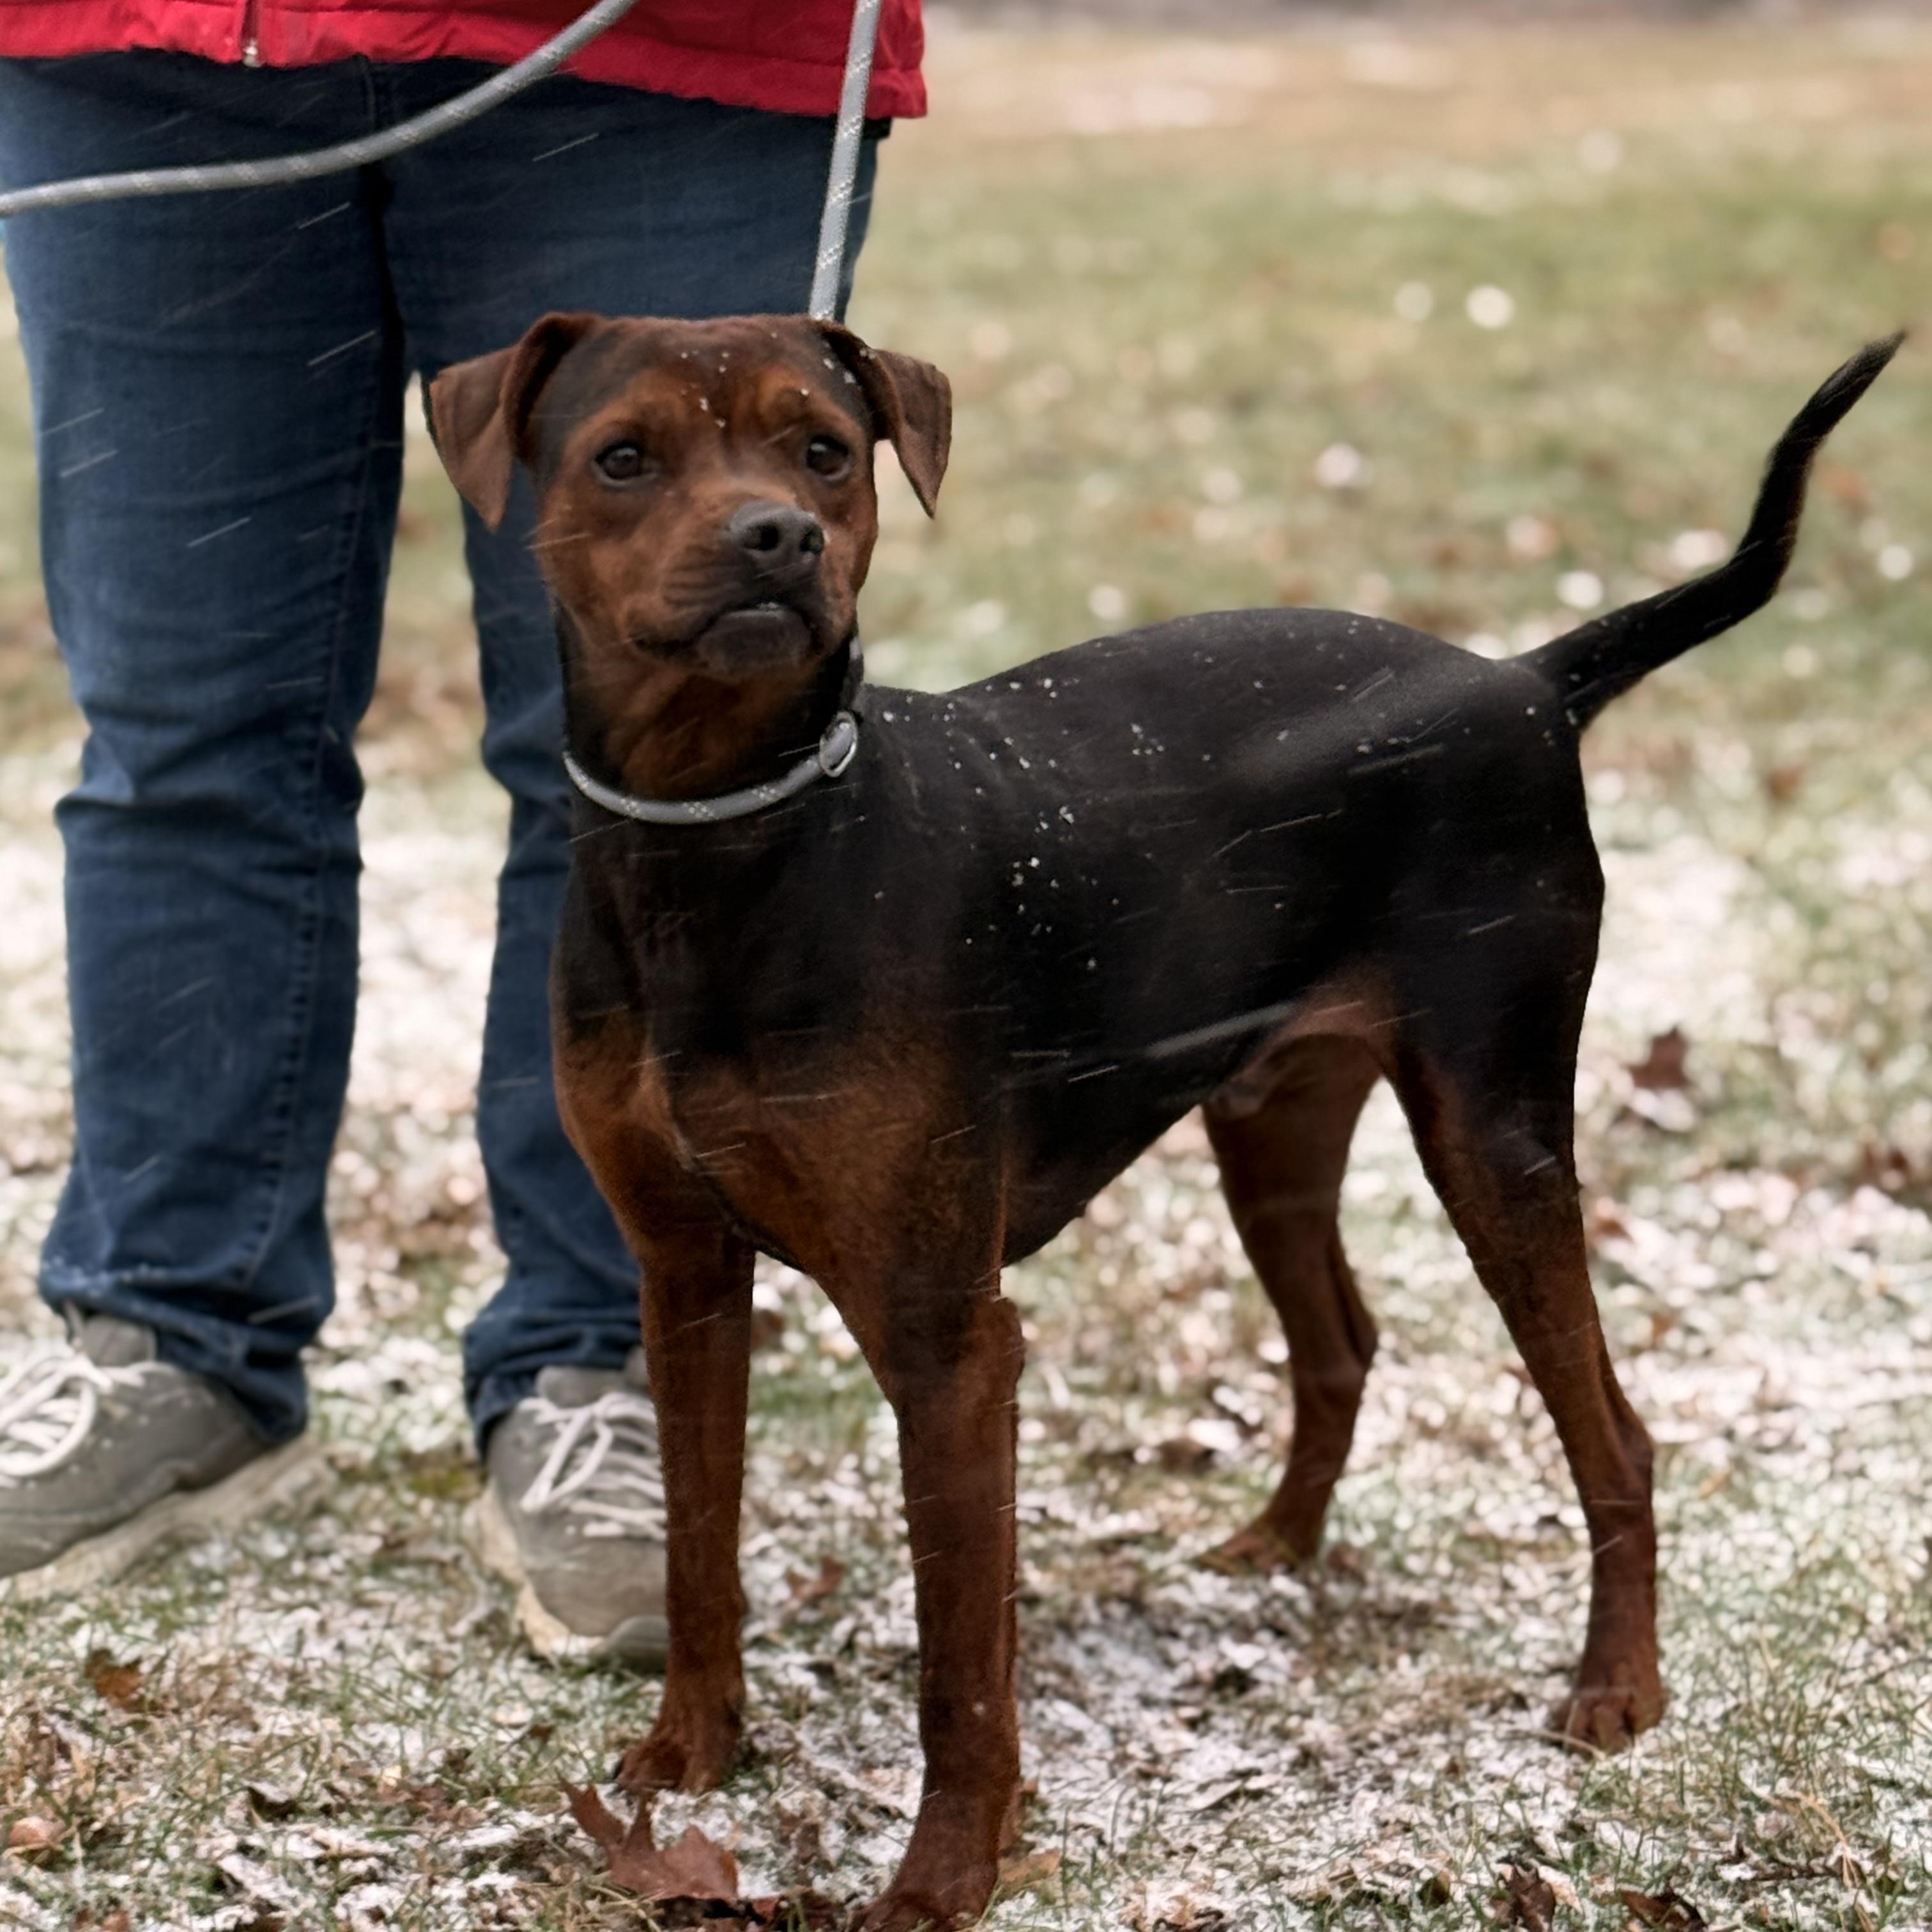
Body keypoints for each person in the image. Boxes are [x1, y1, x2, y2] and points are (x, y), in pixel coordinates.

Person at [0, 0, 924, 1659]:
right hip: (136, 45)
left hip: (659, 47)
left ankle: (598, 1358)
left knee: (649, 740)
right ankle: (169, 1336)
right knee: (181, 721)